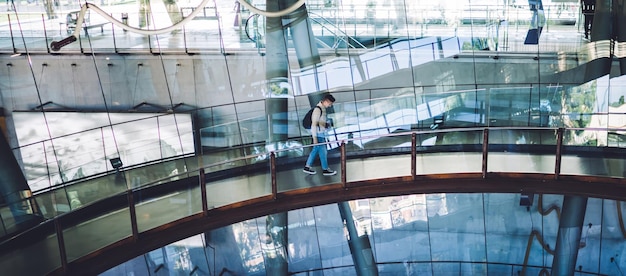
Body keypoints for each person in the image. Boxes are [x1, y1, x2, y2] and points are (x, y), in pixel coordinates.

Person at [303, 93, 337, 176]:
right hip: (318, 134)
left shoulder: (322, 109)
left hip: (320, 133)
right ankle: (325, 169)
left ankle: (308, 167)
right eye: (330, 104)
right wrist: (314, 138)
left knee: (317, 150)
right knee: (323, 151)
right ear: (326, 101)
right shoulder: (318, 110)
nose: (330, 106)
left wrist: (325, 125)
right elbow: (313, 125)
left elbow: (319, 123)